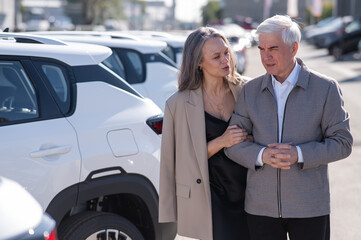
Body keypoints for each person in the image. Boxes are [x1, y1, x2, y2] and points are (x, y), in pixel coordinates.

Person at [224, 15, 353, 240]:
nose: (265, 56)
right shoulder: (250, 91)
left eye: (273, 48)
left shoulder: (326, 88)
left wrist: (299, 154)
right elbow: (232, 144)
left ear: (294, 48)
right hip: (260, 208)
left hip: (310, 207)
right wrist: (262, 154)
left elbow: (342, 142)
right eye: (262, 48)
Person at [159, 26, 251, 240]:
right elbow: (173, 162)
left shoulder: (247, 90)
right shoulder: (178, 104)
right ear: (199, 63)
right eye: (216, 56)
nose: (225, 60)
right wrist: (222, 141)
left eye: (226, 53)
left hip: (249, 192)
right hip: (209, 197)